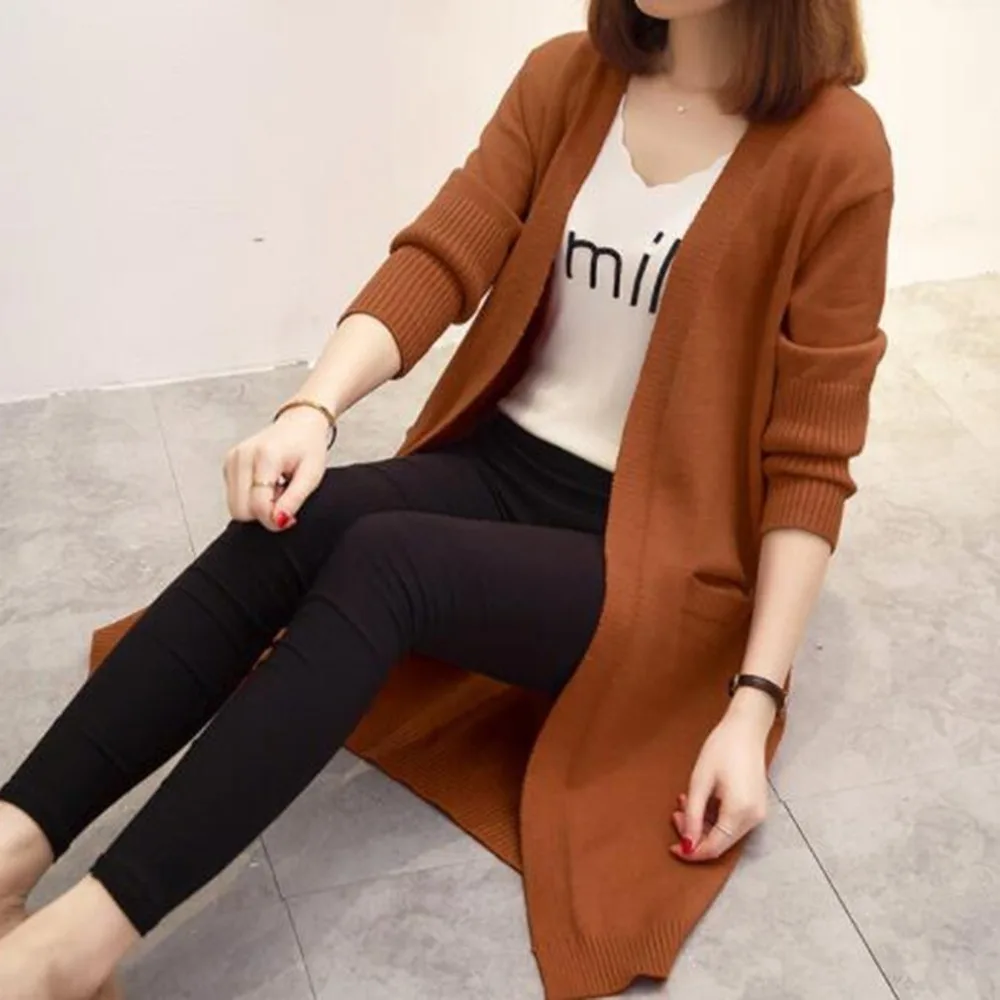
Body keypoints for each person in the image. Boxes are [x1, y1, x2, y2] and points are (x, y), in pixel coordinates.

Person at [0, 0, 892, 997]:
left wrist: (752, 703)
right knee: (299, 519)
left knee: (390, 565)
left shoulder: (836, 150)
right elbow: (444, 254)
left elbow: (811, 456)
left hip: (658, 559)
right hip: (504, 468)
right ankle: (12, 843)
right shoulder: (569, 77)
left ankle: (72, 950)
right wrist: (312, 410)